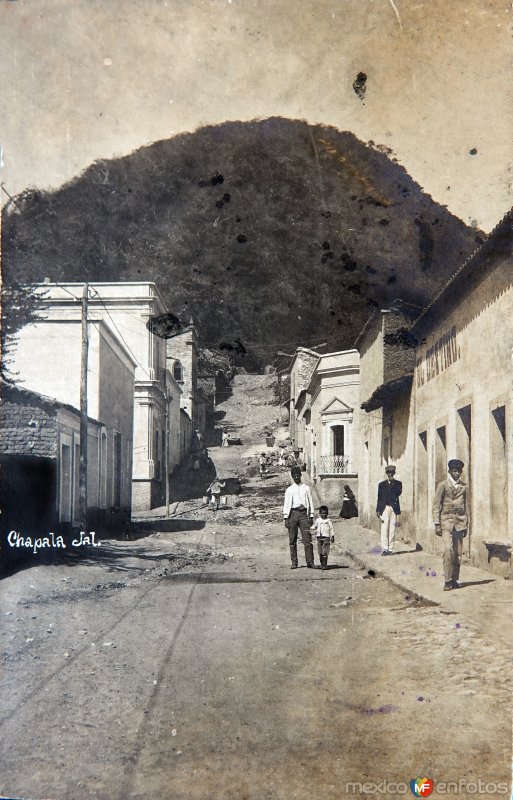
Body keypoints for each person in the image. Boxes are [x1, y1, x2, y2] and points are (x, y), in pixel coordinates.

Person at [432, 459, 469, 591]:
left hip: (460, 522)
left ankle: (454, 579)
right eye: (454, 471)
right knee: (448, 550)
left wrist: (466, 524)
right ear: (449, 471)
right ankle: (447, 580)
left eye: (459, 471)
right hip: (446, 522)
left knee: (458, 553)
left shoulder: (464, 487)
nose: (457, 473)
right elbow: (436, 505)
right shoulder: (443, 485)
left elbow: (466, 506)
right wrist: (437, 523)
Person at [283, 466, 316, 569]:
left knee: (307, 539)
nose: (296, 477)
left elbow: (310, 502)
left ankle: (310, 562)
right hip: (292, 514)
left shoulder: (306, 488)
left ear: (301, 476)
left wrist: (311, 516)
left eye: (298, 475)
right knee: (292, 540)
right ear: (292, 477)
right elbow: (287, 504)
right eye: (294, 475)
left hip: (303, 515)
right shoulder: (289, 490)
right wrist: (286, 518)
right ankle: (294, 562)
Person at [376, 465, 402, 555]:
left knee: (392, 529)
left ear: (394, 473)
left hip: (393, 508)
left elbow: (398, 493)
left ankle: (390, 549)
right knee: (384, 528)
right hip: (385, 508)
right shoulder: (381, 485)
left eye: (391, 473)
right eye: (388, 473)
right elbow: (379, 498)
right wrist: (378, 510)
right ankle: (385, 549)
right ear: (386, 473)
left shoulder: (398, 484)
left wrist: (393, 483)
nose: (390, 474)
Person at [311, 505, 335, 570]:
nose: (324, 515)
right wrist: (311, 528)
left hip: (326, 538)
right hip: (319, 538)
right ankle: (321, 563)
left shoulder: (328, 521)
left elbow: (331, 529)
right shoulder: (318, 520)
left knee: (325, 552)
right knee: (320, 552)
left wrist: (332, 536)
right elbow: (315, 526)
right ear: (320, 514)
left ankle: (325, 565)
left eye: (325, 513)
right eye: (322, 513)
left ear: (327, 514)